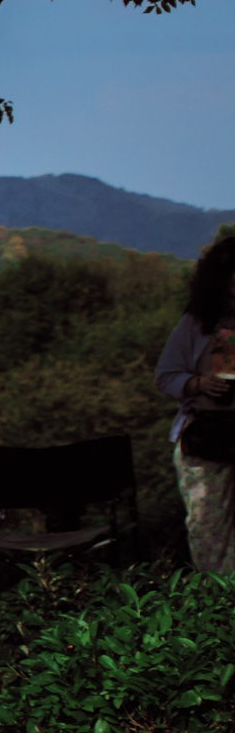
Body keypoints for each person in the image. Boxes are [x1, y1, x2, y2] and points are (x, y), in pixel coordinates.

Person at [154, 233, 235, 576]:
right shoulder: (196, 324)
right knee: (210, 531)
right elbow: (165, 376)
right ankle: (219, 611)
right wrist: (198, 383)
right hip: (208, 439)